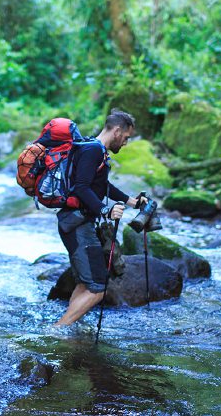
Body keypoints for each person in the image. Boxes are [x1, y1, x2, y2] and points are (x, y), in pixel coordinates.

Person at [54, 109, 148, 326]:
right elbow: (82, 187)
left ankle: (70, 328)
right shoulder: (93, 151)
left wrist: (130, 201)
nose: (125, 143)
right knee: (98, 288)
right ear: (116, 131)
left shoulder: (94, 149)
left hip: (77, 223)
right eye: (125, 137)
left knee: (85, 284)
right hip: (77, 226)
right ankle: (57, 330)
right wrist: (105, 210)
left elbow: (101, 185)